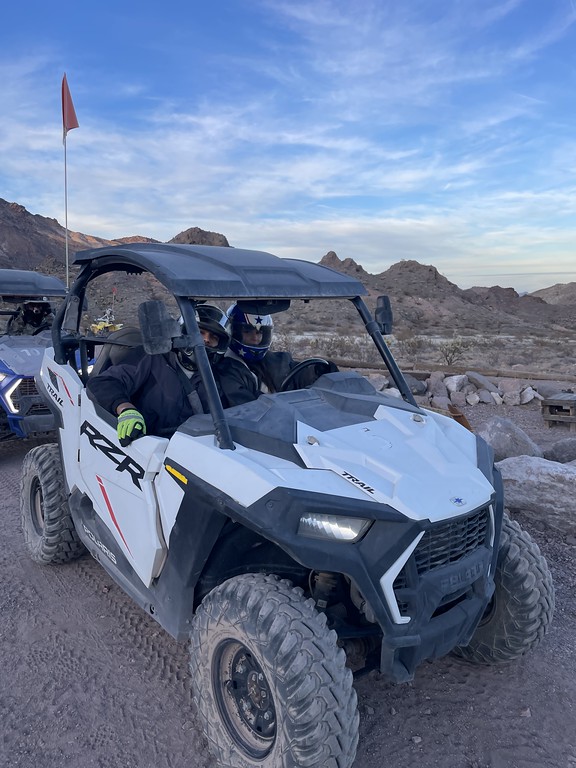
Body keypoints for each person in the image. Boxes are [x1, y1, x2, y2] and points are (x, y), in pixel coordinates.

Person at [87, 304, 235, 445]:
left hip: (197, 449)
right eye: (199, 332)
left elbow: (235, 415)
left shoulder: (218, 375)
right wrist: (126, 409)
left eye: (213, 337)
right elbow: (103, 383)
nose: (206, 339)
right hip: (149, 446)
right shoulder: (153, 358)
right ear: (182, 333)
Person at [223, 303, 338, 399]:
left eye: (259, 332)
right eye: (248, 332)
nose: (255, 338)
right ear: (233, 332)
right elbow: (246, 406)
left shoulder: (275, 360)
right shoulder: (227, 369)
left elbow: (296, 373)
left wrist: (317, 371)